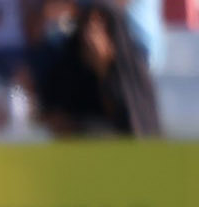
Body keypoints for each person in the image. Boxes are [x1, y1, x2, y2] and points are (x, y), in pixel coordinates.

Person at [36, 0, 159, 136]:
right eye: (88, 25)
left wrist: (103, 70)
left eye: (100, 27)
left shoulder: (132, 71)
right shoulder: (67, 68)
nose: (91, 36)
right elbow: (55, 115)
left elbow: (134, 123)